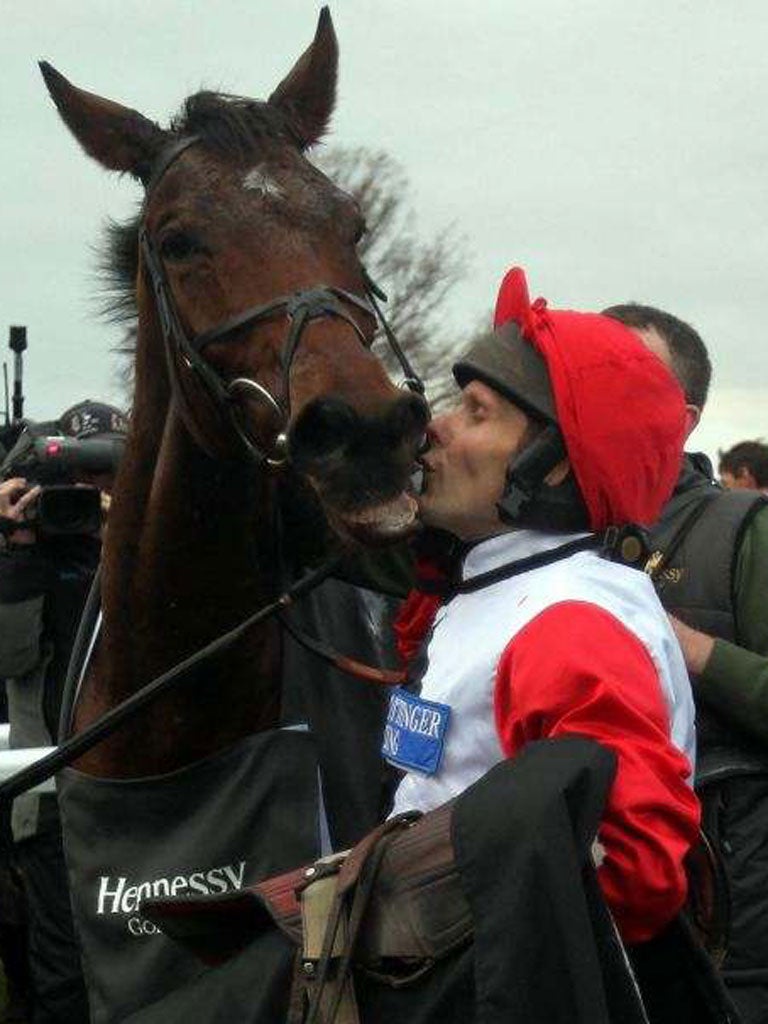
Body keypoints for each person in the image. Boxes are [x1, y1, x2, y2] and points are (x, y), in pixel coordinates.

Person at [387, 267, 700, 953]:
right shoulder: (494, 586)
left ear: (551, 466)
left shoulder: (566, 624)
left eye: (475, 412)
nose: (435, 429)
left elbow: (634, 872)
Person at [604, 302, 768, 1023]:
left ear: (687, 418)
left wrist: (685, 645)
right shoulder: (528, 528)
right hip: (575, 925)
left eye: (628, 378)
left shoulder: (745, 530)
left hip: (727, 938)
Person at [0, 399, 126, 1024]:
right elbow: (9, 655)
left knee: (140, 962)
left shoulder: (147, 548)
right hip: (50, 798)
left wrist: (127, 537)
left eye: (103, 478)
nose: (86, 498)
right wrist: (18, 547)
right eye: (72, 484)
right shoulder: (25, 556)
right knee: (63, 978)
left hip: (137, 791)